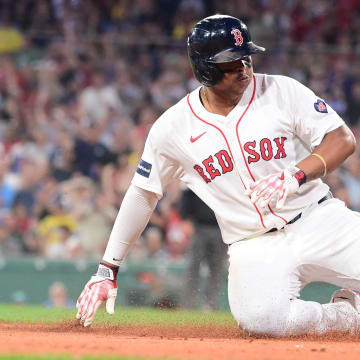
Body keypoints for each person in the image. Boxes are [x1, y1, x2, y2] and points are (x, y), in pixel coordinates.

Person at [76, 14, 360, 336]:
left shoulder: (281, 90)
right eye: (232, 63)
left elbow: (342, 139)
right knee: (262, 321)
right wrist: (108, 268)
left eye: (247, 59)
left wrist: (296, 174)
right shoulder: (173, 127)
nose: (245, 70)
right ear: (205, 69)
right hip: (252, 243)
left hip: (316, 219)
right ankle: (349, 316)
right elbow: (143, 193)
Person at [180, 188, 227, 310]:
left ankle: (209, 304)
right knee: (192, 267)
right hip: (199, 227)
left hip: (220, 229)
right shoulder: (198, 171)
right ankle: (188, 304)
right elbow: (187, 192)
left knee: (216, 269)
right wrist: (185, 218)